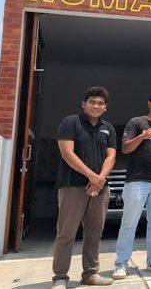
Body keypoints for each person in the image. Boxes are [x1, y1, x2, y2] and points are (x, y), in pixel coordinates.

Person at [51, 86, 116, 288]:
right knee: (66, 233)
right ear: (83, 104)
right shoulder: (70, 122)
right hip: (72, 186)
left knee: (94, 233)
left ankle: (90, 274)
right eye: (92, 102)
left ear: (105, 107)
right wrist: (92, 176)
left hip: (100, 189)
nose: (96, 106)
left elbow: (111, 156)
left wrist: (99, 180)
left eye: (100, 103)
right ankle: (60, 277)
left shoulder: (108, 128)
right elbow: (67, 154)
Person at [113, 91, 151, 280]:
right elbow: (125, 148)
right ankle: (121, 263)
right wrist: (142, 136)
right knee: (129, 223)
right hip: (137, 181)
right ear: (149, 103)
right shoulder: (137, 122)